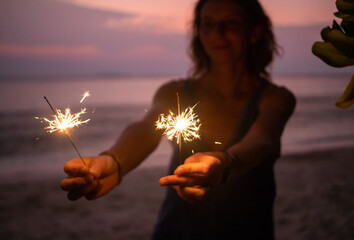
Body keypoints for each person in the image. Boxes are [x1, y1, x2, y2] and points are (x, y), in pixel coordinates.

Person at [61, 0, 296, 239]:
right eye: (208, 24)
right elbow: (146, 129)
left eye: (231, 23)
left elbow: (262, 141)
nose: (218, 33)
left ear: (255, 31)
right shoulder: (175, 93)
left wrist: (225, 164)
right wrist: (113, 161)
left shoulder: (276, 98)